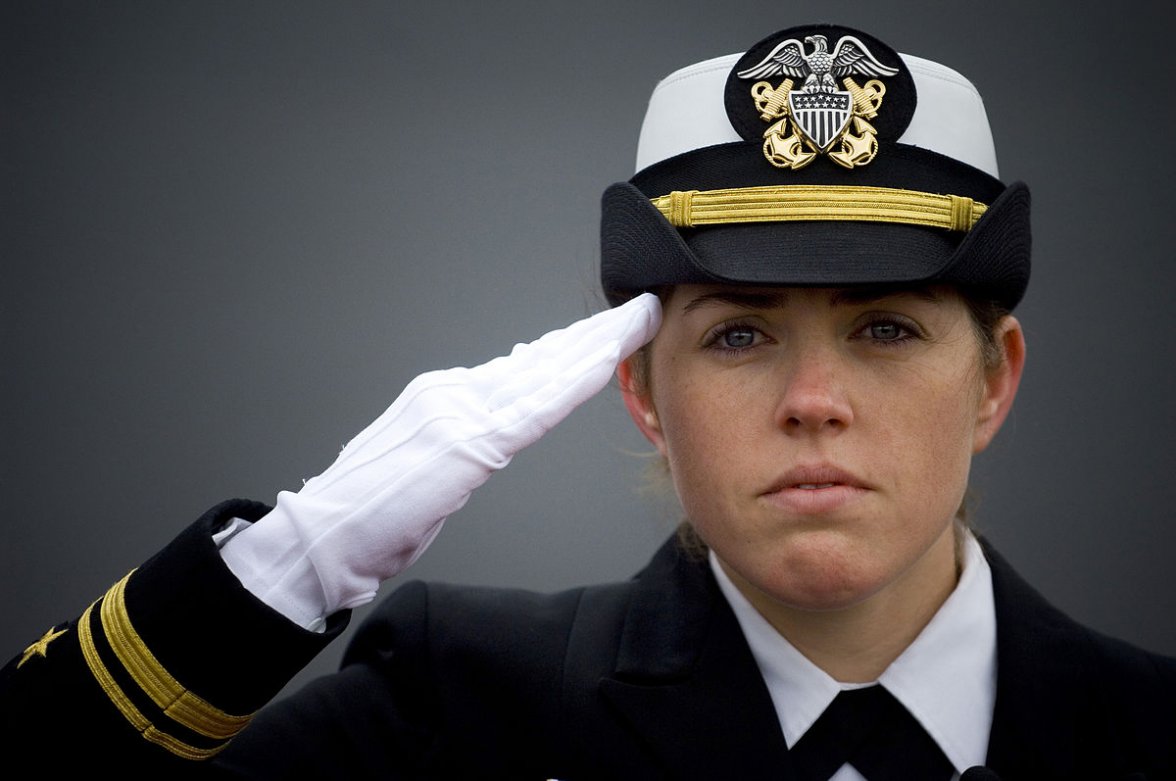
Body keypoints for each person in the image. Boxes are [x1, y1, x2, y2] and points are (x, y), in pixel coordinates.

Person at [2, 22, 1174, 779]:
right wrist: (287, 568)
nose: (815, 400)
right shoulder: (454, 713)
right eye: (739, 334)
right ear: (644, 391)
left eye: (885, 328)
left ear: (993, 378)